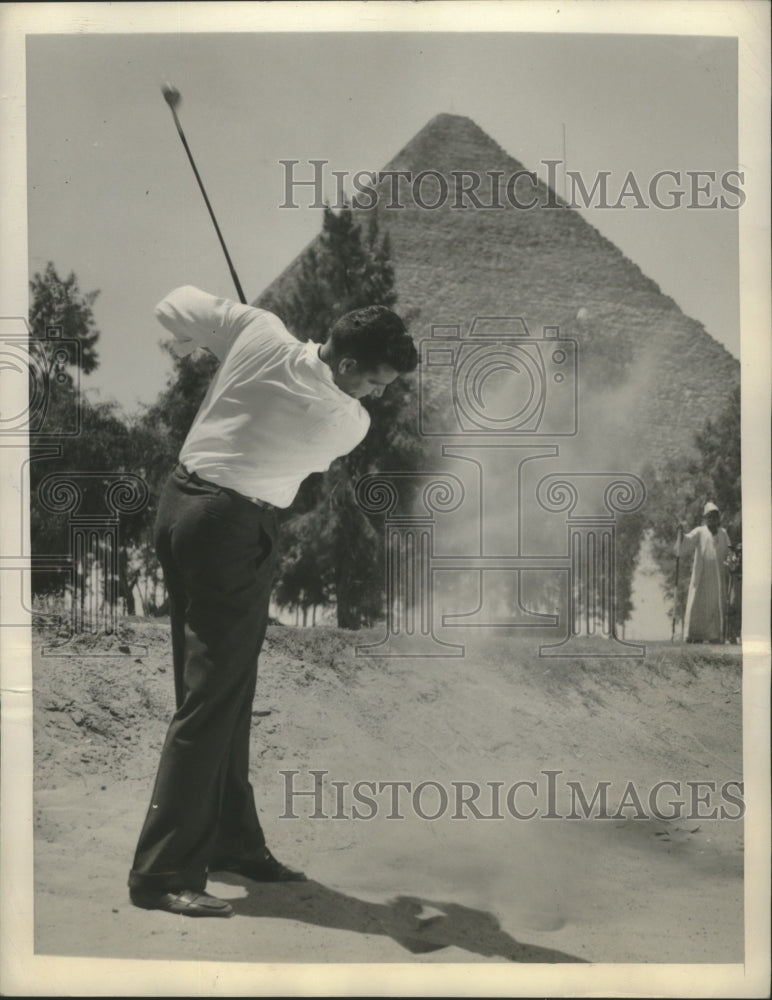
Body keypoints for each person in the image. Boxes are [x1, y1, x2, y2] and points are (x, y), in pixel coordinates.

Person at [128, 286, 418, 917]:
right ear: (345, 367)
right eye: (374, 380)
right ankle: (162, 874)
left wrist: (219, 340)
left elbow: (170, 305)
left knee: (222, 690)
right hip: (231, 528)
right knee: (211, 700)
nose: (378, 394)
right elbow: (303, 417)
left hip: (179, 507)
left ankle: (233, 841)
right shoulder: (346, 422)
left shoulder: (260, 329)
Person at [675, 502, 731, 644]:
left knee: (715, 605)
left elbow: (729, 552)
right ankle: (694, 635)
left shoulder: (723, 533)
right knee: (697, 604)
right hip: (702, 576)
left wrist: (732, 561)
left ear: (718, 518)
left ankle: (714, 636)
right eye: (709, 516)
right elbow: (686, 542)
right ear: (706, 518)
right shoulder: (700, 531)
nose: (712, 519)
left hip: (717, 578)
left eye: (715, 516)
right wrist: (681, 534)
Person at [725, 541, 742, 644]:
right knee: (731, 610)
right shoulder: (731, 560)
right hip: (733, 587)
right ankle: (729, 635)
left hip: (740, 588)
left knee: (739, 612)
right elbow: (732, 569)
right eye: (738, 551)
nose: (739, 553)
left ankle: (737, 635)